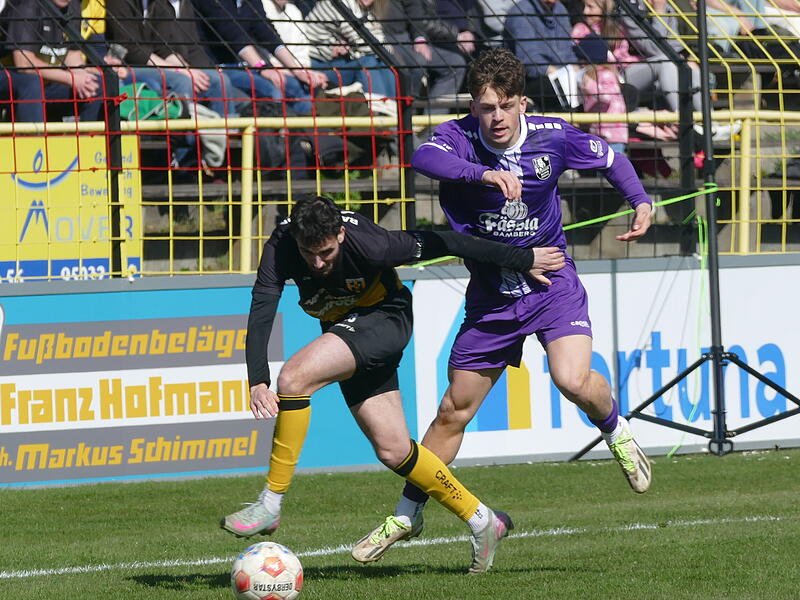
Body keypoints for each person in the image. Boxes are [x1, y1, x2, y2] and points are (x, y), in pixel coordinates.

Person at [352, 47, 654, 563]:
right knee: (453, 410)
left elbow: (611, 159)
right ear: (474, 106)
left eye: (504, 106)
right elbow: (422, 158)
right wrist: (482, 175)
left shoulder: (552, 136)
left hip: (551, 282)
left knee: (571, 379)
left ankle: (617, 431)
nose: (494, 117)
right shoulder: (459, 137)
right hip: (492, 298)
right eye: (485, 107)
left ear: (522, 104)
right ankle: (407, 513)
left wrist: (640, 201)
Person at [220, 194, 567, 573]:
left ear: (340, 234)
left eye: (326, 253)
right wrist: (257, 380)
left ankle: (271, 503)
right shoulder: (282, 244)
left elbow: (449, 241)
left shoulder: (374, 243)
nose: (318, 264)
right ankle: (483, 520)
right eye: (309, 254)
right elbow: (262, 306)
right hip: (345, 330)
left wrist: (524, 258)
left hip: (385, 320)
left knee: (294, 377)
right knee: (393, 450)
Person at [193, 0, 329, 116]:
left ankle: (305, 139)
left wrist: (298, 70)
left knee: (299, 86)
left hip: (244, 66)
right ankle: (275, 142)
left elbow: (266, 32)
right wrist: (262, 67)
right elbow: (233, 34)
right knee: (270, 90)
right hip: (219, 67)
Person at [5, 0, 104, 122]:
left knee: (96, 83)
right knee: (31, 83)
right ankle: (34, 139)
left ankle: (89, 138)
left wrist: (84, 76)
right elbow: (24, 64)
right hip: (12, 82)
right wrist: (71, 78)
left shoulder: (73, 7)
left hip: (49, 84)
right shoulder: (27, 6)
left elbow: (72, 55)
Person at [503, 0, 576, 112]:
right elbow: (529, 62)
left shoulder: (560, 9)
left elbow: (568, 51)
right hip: (530, 80)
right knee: (558, 88)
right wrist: (560, 74)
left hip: (560, 75)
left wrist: (574, 70)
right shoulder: (521, 12)